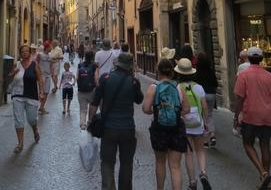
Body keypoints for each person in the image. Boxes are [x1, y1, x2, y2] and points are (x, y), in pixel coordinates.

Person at [90, 53, 143, 190]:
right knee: (126, 164)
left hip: (108, 128)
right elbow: (139, 99)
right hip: (127, 129)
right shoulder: (133, 82)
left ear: (117, 64)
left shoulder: (105, 78)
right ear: (130, 66)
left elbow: (95, 102)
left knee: (107, 162)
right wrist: (135, 78)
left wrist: (90, 122)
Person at [233, 47, 271, 190]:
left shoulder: (243, 75)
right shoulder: (269, 76)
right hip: (267, 115)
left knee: (248, 144)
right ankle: (265, 177)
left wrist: (236, 117)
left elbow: (239, 99)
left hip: (250, 115)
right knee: (265, 145)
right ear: (261, 59)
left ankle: (263, 173)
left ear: (248, 57)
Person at [143, 58, 190, 190]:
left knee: (160, 162)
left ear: (158, 71)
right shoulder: (179, 88)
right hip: (177, 128)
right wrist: (174, 113)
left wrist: (159, 111)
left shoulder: (154, 88)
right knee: (175, 166)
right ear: (172, 72)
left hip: (159, 129)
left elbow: (146, 109)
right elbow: (187, 109)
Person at [175, 58, 212, 190]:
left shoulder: (178, 87)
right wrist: (206, 121)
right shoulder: (199, 87)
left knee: (188, 153)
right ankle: (203, 173)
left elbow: (178, 106)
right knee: (200, 150)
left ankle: (192, 182)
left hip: (185, 124)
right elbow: (205, 106)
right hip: (197, 123)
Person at [8, 44, 44, 153]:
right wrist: (12, 73)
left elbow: (40, 79)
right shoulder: (17, 65)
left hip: (31, 95)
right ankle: (20, 143)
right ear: (20, 53)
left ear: (30, 53)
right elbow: (9, 77)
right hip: (17, 95)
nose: (24, 53)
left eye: (26, 51)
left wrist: (41, 92)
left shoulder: (34, 65)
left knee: (32, 118)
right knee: (19, 120)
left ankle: (35, 130)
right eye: (22, 52)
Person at [195, 52, 218, 148]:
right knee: (210, 115)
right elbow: (215, 83)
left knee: (202, 115)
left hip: (202, 95)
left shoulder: (197, 72)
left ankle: (205, 139)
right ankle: (212, 135)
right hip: (211, 94)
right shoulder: (210, 71)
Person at [77, 50, 97, 129]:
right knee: (91, 107)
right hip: (91, 90)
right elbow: (96, 78)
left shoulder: (80, 65)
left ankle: (82, 124)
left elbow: (77, 77)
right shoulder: (94, 66)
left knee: (83, 108)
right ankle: (89, 122)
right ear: (92, 57)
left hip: (81, 90)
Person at [36, 41, 54, 114]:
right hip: (41, 75)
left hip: (48, 75)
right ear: (47, 48)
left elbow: (51, 65)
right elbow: (36, 64)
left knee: (46, 92)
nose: (51, 48)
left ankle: (42, 107)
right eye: (50, 47)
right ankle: (36, 106)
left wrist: (52, 73)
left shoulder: (50, 55)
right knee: (41, 92)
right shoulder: (40, 55)